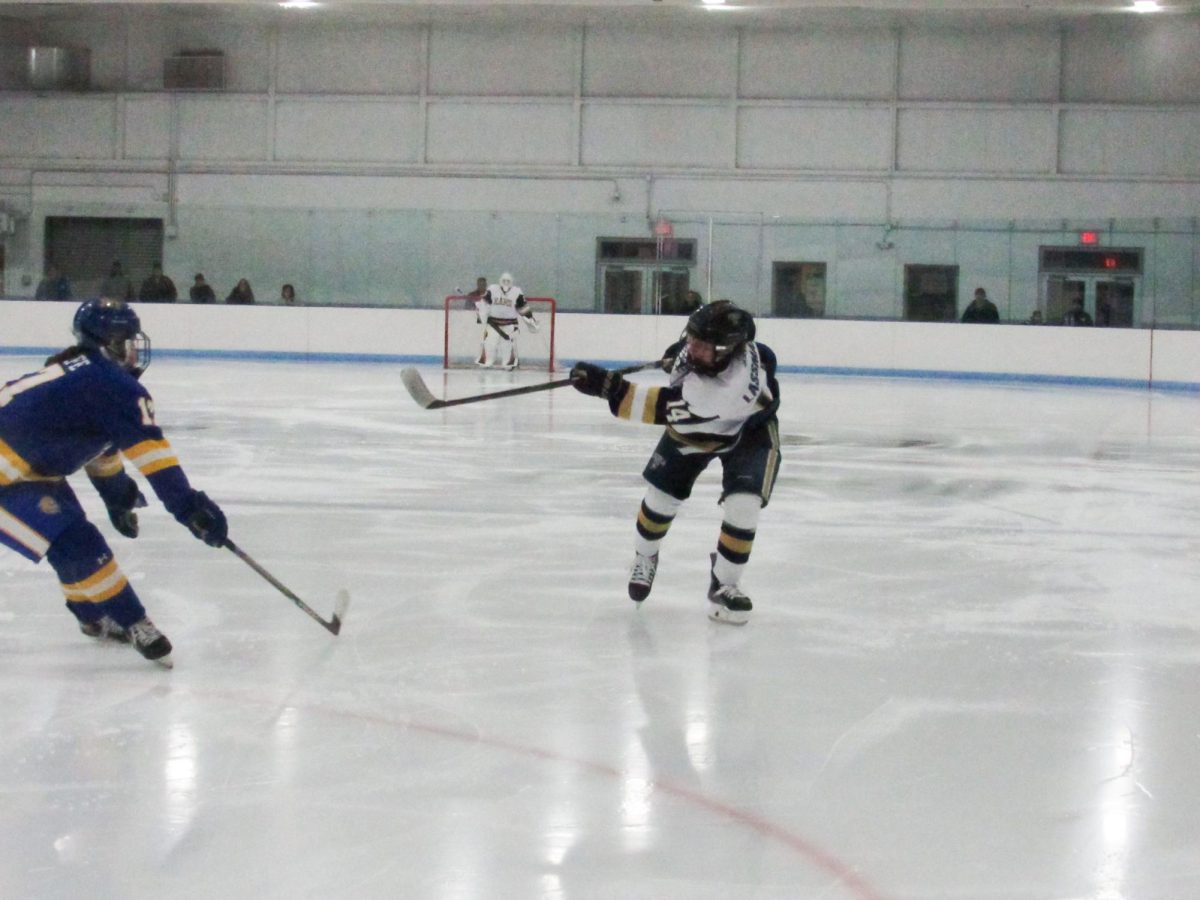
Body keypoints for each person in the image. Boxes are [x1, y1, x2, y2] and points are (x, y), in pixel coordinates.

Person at [0, 298, 229, 667]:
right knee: (75, 541)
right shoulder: (114, 386)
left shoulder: (84, 373)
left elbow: (100, 450)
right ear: (108, 342)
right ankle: (132, 620)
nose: (134, 349)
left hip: (28, 472)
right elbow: (156, 460)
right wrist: (190, 507)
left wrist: (118, 497)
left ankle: (92, 616)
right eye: (127, 339)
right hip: (9, 479)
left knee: (69, 534)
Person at [569, 300, 781, 625]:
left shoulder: (727, 389)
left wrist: (608, 388)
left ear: (725, 350)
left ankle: (725, 585)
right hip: (704, 421)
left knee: (744, 504)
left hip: (745, 431)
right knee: (659, 502)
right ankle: (645, 554)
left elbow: (658, 407)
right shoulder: (734, 349)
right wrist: (682, 352)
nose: (692, 345)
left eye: (701, 344)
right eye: (691, 338)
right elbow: (765, 354)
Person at [478, 272, 537, 369]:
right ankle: (487, 361)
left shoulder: (517, 292)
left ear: (512, 282)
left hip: (510, 324)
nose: (506, 283)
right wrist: (482, 316)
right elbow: (484, 304)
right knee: (489, 343)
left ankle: (508, 363)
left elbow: (523, 308)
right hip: (493, 323)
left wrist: (530, 320)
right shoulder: (492, 289)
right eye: (504, 281)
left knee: (508, 345)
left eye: (508, 281)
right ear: (500, 281)